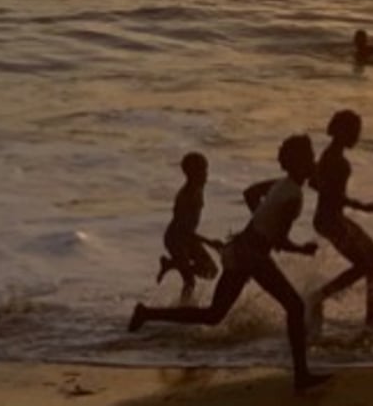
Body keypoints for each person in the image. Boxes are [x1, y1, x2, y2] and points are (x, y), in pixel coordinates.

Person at [128, 135, 332, 393]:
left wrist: (258, 223)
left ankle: (147, 313)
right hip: (254, 256)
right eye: (309, 158)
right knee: (294, 306)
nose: (313, 162)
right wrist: (302, 248)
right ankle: (301, 375)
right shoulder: (292, 195)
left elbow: (250, 194)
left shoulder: (283, 183)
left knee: (214, 315)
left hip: (240, 249)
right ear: (300, 163)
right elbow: (279, 239)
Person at [307, 110, 373, 333]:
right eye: (355, 131)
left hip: (332, 219)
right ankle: (319, 296)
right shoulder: (337, 161)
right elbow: (331, 195)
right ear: (342, 132)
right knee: (365, 264)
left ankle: (371, 312)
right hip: (330, 221)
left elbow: (313, 183)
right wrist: (363, 206)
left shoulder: (329, 155)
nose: (358, 136)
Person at [155, 152, 223, 297]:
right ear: (190, 174)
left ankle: (171, 264)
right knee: (190, 281)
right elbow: (183, 229)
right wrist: (209, 242)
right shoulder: (186, 196)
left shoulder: (199, 188)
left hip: (188, 237)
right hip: (176, 239)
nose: (206, 175)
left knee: (211, 272)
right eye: (202, 171)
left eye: (206, 170)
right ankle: (182, 311)